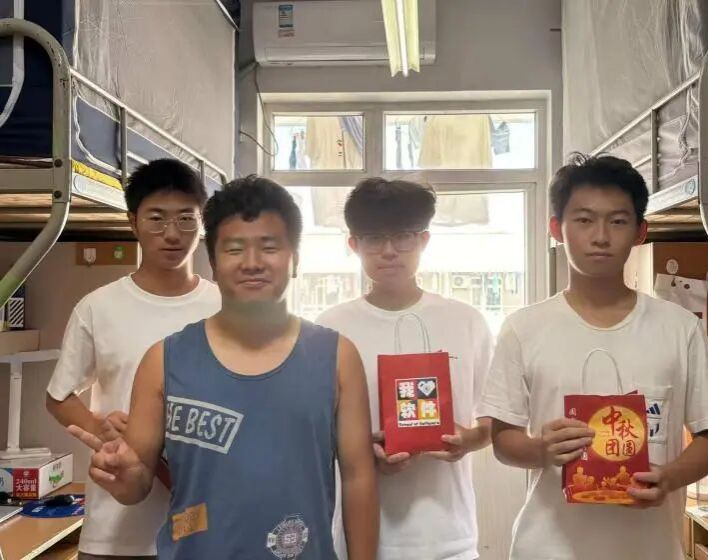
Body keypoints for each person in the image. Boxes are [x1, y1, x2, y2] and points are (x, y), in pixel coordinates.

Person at [69, 176, 379, 559]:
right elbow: (137, 481)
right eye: (234, 249)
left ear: (295, 259)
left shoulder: (337, 357)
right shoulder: (163, 360)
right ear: (213, 264)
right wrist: (123, 477)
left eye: (269, 247)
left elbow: (358, 478)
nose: (252, 263)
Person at [477, 154, 708, 560]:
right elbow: (503, 441)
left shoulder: (680, 328)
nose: (600, 236)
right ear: (557, 229)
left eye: (617, 221)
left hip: (649, 550)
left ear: (640, 232)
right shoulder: (523, 328)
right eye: (584, 220)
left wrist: (669, 477)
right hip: (547, 549)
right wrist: (541, 450)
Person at [46, 158, 220, 560]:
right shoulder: (99, 307)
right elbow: (58, 396)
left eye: (186, 219)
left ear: (202, 224)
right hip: (116, 530)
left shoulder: (224, 306)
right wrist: (103, 431)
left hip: (209, 526)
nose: (172, 234)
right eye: (156, 219)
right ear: (133, 222)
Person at [317, 177, 492, 560]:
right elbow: (316, 431)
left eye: (403, 237)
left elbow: (494, 421)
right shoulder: (329, 328)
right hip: (362, 540)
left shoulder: (466, 322)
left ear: (424, 240)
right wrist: (364, 452)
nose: (389, 251)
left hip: (450, 537)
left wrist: (468, 439)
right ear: (353, 245)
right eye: (373, 238)